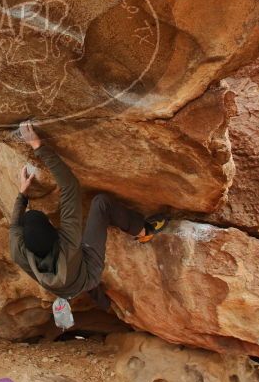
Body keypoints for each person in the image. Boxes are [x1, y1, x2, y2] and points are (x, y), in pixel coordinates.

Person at [9, 121, 163, 309]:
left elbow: (15, 225)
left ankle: (100, 300)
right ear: (53, 233)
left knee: (74, 268)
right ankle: (143, 231)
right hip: (88, 272)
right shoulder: (69, 243)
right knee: (101, 204)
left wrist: (22, 193)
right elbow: (70, 186)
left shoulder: (19, 252)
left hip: (64, 285)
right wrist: (37, 146)